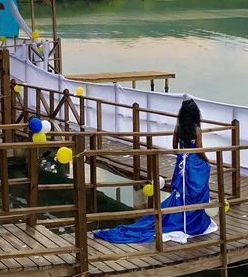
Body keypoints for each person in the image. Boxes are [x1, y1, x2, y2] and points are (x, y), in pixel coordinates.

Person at [93, 98, 218, 244]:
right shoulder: (197, 130)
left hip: (182, 162)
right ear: (195, 113)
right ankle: (193, 220)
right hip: (194, 162)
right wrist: (207, 161)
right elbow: (199, 149)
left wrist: (181, 155)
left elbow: (174, 146)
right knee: (195, 190)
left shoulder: (178, 128)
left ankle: (180, 216)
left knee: (181, 192)